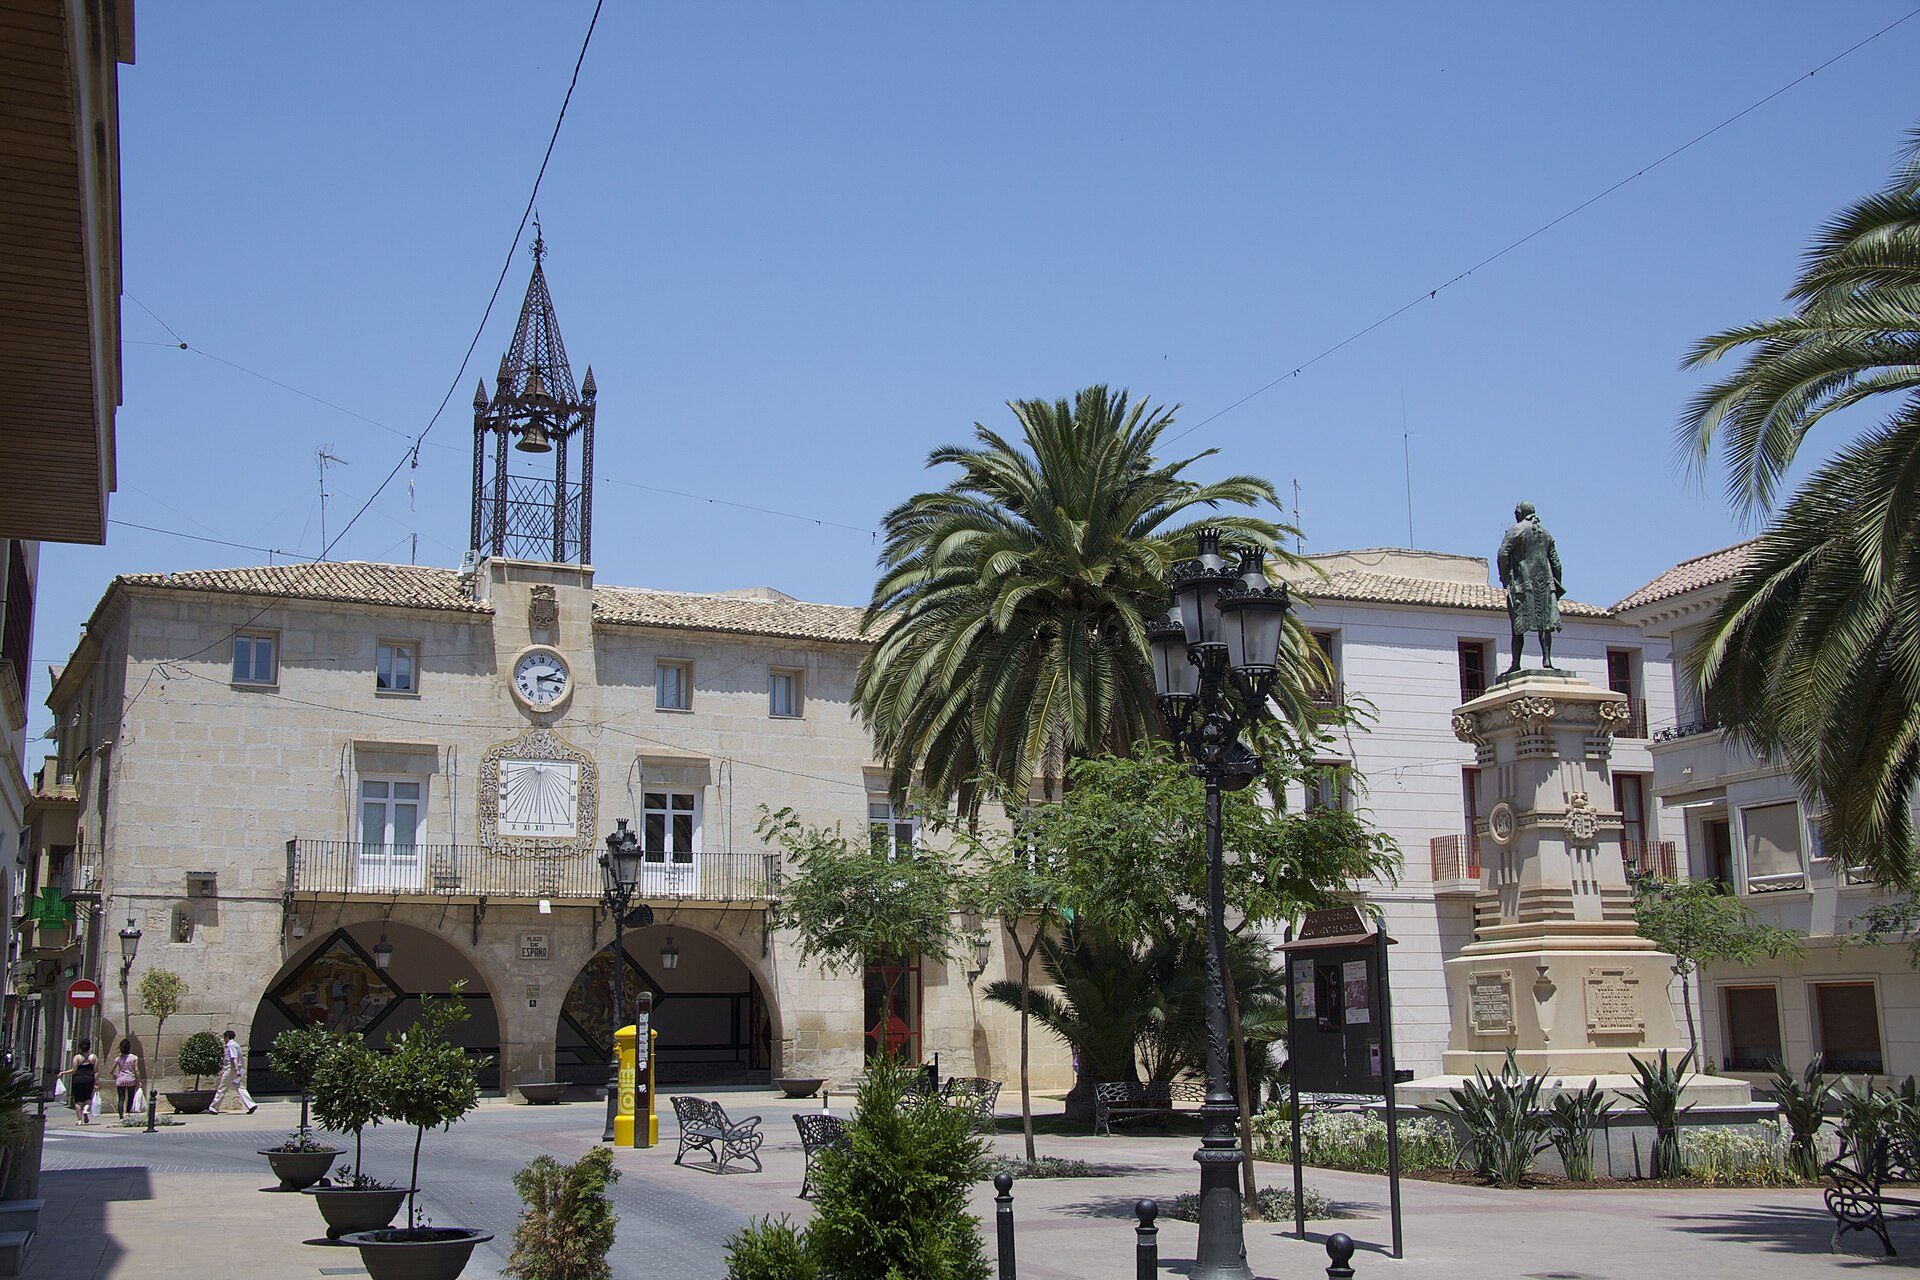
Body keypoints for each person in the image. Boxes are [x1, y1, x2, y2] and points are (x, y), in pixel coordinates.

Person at [207, 1029, 257, 1115]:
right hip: (237, 1069)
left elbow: (234, 1058)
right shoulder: (236, 1045)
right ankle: (251, 1105)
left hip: (231, 1070)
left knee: (222, 1088)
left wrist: (236, 1070)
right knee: (240, 1087)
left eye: (224, 1037)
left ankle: (213, 1108)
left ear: (226, 1037)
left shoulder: (231, 1045)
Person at [65, 1039, 98, 1125]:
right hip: (89, 1079)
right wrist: (96, 1083)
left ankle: (79, 1120)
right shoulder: (93, 1057)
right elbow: (95, 1071)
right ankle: (86, 1110)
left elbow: (73, 1070)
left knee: (78, 1100)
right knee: (88, 1098)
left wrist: (63, 1072)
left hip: (78, 1079)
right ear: (89, 1047)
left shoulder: (77, 1057)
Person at [111, 1038, 141, 1119]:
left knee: (121, 1098)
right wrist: (139, 1080)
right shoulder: (134, 1058)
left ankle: (121, 1116)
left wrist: (114, 1075)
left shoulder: (118, 1058)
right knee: (130, 1097)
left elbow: (112, 1070)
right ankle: (128, 1114)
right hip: (131, 1079)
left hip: (120, 1079)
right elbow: (136, 1069)